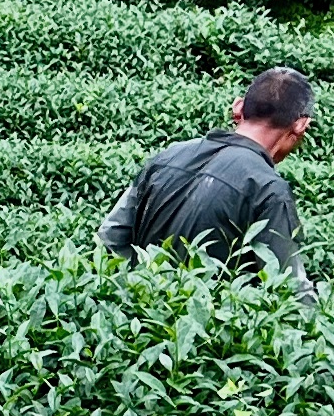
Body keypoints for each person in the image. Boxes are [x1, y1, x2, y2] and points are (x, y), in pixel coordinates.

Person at [97, 66, 319, 292]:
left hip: (140, 311)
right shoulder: (268, 189)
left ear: (238, 107)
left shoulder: (168, 155)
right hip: (208, 323)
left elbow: (111, 237)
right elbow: (289, 289)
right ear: (301, 125)